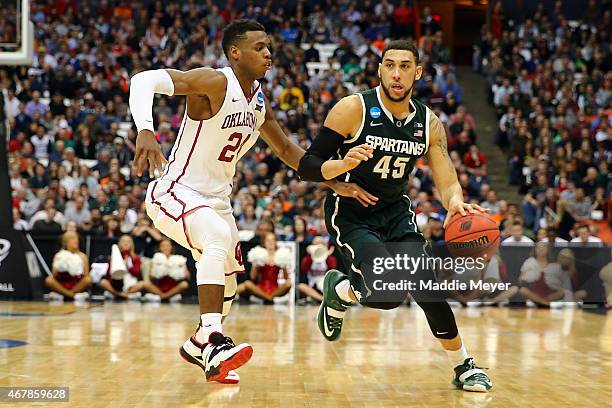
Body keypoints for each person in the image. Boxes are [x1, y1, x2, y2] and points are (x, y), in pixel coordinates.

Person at [129, 19, 375, 384]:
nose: (268, 53)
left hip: (217, 201)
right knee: (214, 237)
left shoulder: (258, 100)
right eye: (259, 47)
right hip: (175, 190)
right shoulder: (214, 81)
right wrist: (145, 130)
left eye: (269, 47)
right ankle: (212, 339)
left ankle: (203, 347)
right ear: (235, 52)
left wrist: (335, 180)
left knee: (228, 281)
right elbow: (142, 80)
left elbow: (289, 151)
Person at [297, 40, 492, 392]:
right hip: (353, 214)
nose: (396, 73)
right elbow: (308, 166)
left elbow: (445, 173)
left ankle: (464, 365)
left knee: (426, 287)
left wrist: (455, 202)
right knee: (387, 293)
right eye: (390, 65)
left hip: (397, 212)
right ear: (380, 69)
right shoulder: (352, 109)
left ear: (417, 73)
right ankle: (340, 289)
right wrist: (342, 170)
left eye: (405, 66)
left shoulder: (428, 123)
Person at [237, 232, 292, 303]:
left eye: (272, 240)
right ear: (264, 242)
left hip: (275, 289)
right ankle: (270, 299)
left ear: (275, 242)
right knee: (248, 283)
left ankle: (268, 298)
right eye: (268, 240)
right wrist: (256, 264)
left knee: (289, 283)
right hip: (261, 288)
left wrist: (284, 265)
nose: (270, 243)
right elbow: (253, 277)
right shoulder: (259, 254)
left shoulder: (280, 255)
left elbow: (286, 278)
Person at [45, 231, 92, 302]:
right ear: (66, 242)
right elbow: (54, 275)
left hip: (76, 284)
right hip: (62, 283)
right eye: (72, 239)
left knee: (89, 280)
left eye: (76, 238)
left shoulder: (83, 256)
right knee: (49, 280)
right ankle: (72, 295)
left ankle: (65, 294)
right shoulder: (59, 255)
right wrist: (61, 265)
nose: (76, 240)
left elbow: (86, 275)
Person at [518, 242, 565, 307]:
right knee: (522, 290)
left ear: (547, 250)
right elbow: (520, 281)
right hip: (534, 293)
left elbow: (561, 283)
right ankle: (544, 303)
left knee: (563, 292)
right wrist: (525, 277)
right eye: (539, 247)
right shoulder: (529, 262)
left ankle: (540, 302)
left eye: (543, 247)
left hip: (550, 294)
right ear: (535, 250)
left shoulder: (554, 265)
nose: (541, 249)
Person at [98, 235, 145, 300]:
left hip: (131, 285)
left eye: (128, 241)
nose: (126, 243)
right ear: (120, 244)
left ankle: (119, 294)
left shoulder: (136, 258)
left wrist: (128, 265)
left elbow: (136, 273)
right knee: (103, 282)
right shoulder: (113, 257)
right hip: (116, 284)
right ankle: (121, 294)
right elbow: (108, 274)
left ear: (131, 244)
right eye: (123, 241)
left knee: (142, 284)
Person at [298, 236, 337, 303]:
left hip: (325, 286)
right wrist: (310, 256)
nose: (318, 246)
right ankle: (323, 299)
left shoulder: (330, 258)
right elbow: (303, 269)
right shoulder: (308, 258)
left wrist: (327, 256)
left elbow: (333, 272)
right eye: (316, 244)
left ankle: (320, 299)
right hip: (312, 287)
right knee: (301, 286)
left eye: (320, 244)